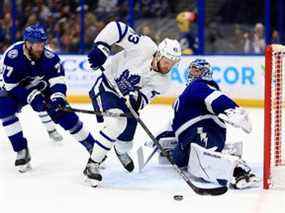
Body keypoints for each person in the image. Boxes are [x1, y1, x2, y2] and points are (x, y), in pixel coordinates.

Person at [85, 21, 181, 186]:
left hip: (126, 101)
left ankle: (120, 151)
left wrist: (136, 99)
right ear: (158, 54)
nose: (168, 66)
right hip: (106, 87)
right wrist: (102, 47)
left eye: (172, 64)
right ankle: (92, 165)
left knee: (126, 144)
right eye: (166, 61)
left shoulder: (164, 82)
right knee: (115, 125)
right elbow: (117, 28)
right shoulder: (144, 46)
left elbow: (143, 98)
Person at [0, 23, 96, 173]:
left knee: (62, 112)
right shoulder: (12, 56)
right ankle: (21, 150)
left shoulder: (50, 58)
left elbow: (58, 81)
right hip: (16, 89)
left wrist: (58, 97)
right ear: (27, 44)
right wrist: (32, 96)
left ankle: (94, 149)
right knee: (4, 107)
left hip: (40, 86)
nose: (41, 48)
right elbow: (10, 85)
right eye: (37, 45)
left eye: (42, 44)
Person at [152, 59, 258, 189]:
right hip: (187, 140)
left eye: (196, 71)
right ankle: (219, 156)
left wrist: (232, 110)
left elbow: (215, 98)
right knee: (178, 161)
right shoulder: (182, 98)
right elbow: (175, 124)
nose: (192, 74)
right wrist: (161, 137)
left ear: (205, 73)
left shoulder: (199, 86)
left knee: (201, 164)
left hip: (204, 130)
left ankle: (239, 171)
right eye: (191, 71)